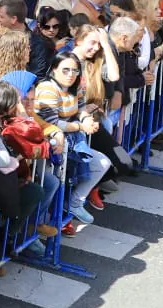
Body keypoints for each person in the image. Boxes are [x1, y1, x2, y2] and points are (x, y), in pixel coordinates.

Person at [31, 52, 109, 229]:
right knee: (53, 183)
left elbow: (80, 107)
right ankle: (40, 224)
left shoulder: (75, 87)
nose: (70, 75)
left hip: (72, 140)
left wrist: (85, 119)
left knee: (102, 163)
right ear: (54, 70)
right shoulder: (47, 88)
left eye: (74, 71)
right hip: (53, 144)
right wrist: (81, 127)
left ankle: (74, 203)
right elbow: (52, 123)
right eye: (65, 70)